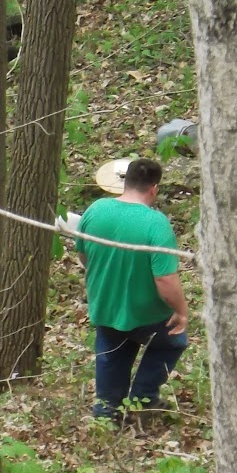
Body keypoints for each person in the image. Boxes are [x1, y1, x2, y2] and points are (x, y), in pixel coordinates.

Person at [75, 158, 189, 421]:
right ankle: (143, 401)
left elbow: (83, 255)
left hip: (105, 302)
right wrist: (181, 311)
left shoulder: (96, 210)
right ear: (154, 189)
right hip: (145, 311)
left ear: (123, 183)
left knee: (113, 350)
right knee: (173, 342)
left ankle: (107, 411)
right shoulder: (155, 224)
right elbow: (165, 280)